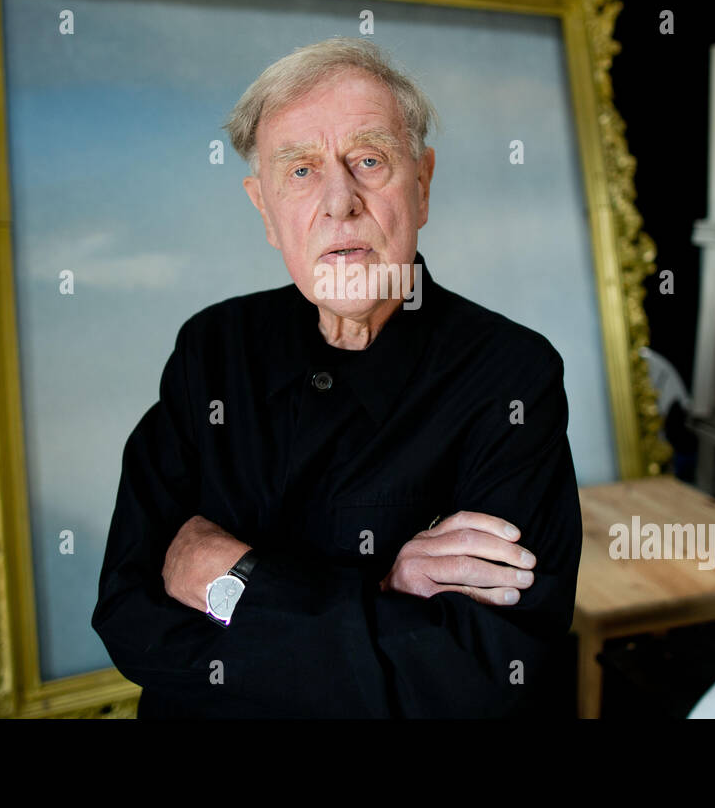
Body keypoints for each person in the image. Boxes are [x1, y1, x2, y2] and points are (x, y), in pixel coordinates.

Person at [92, 37, 582, 717]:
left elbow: (486, 674)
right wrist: (381, 597)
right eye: (299, 172)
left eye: (370, 161)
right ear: (265, 211)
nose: (338, 201)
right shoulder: (211, 349)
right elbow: (128, 616)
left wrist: (237, 585)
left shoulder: (511, 378)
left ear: (423, 183)